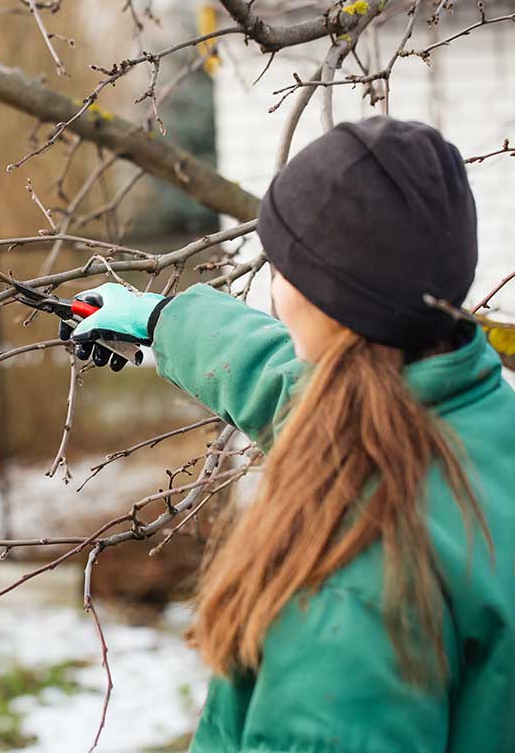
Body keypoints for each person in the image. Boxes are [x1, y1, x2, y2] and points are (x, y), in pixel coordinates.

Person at [65, 116, 515, 752]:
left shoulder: (353, 573)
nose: (275, 288)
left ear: (330, 299)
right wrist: (161, 320)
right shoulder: (477, 415)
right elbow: (292, 384)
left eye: (282, 265)